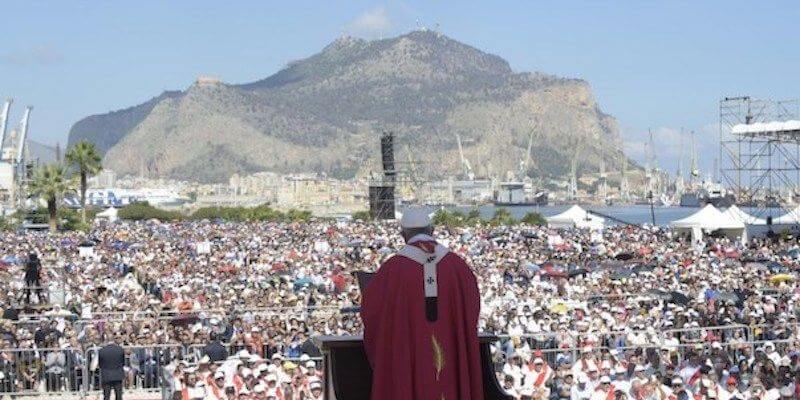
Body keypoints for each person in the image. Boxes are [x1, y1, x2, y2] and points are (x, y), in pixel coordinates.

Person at [361, 208, 483, 399]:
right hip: (451, 355)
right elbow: (472, 308)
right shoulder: (457, 266)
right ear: (432, 230)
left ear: (403, 234)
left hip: (409, 357)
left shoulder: (392, 270)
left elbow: (372, 313)